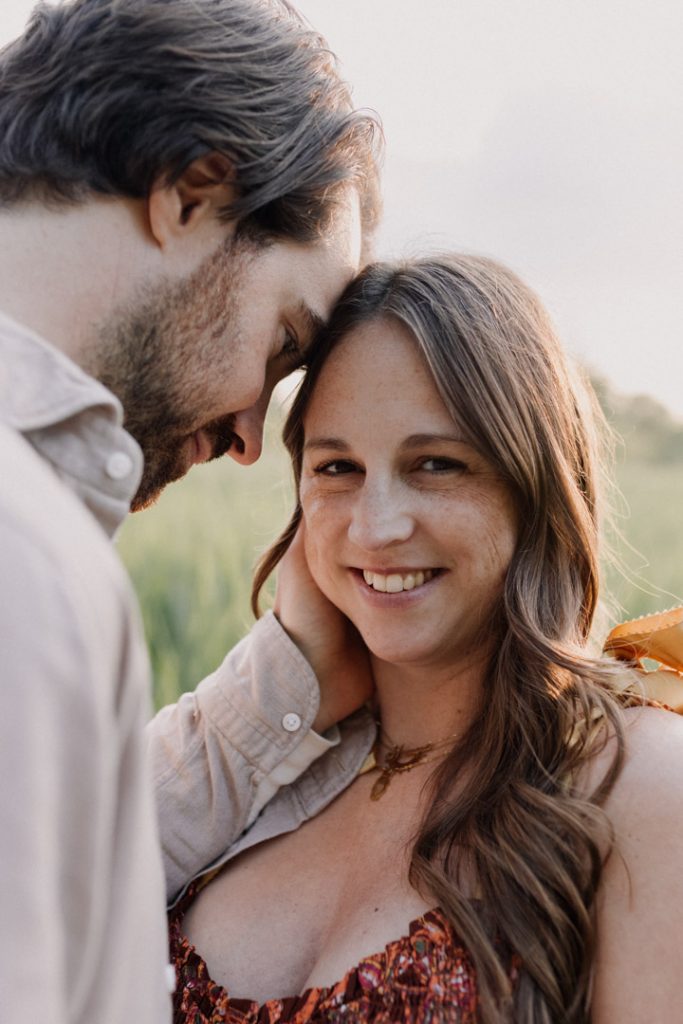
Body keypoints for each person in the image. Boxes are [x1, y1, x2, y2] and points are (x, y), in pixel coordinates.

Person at [164, 254, 683, 1023]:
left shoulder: (634, 787)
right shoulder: (258, 762)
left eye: (435, 464)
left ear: (535, 482)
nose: (375, 528)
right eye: (336, 467)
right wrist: (284, 674)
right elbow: (42, 896)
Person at [0, 0, 379, 1020]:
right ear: (193, 192)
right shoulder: (24, 554)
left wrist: (277, 690)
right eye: (282, 343)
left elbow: (62, 866)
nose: (253, 436)